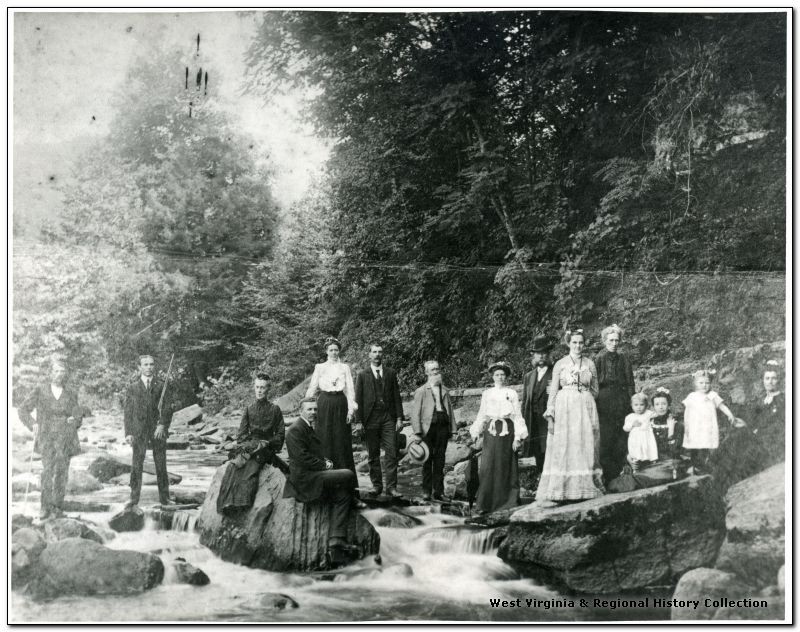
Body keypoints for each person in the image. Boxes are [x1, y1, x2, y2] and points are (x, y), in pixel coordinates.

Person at [284, 398, 359, 566]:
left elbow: (314, 453)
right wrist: (324, 465)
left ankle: (336, 541)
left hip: (313, 474)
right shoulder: (295, 430)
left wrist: (324, 461)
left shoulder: (309, 427)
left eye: (315, 409)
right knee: (347, 474)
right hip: (305, 479)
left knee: (343, 495)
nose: (313, 413)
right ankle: (353, 500)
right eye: (309, 409)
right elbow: (302, 458)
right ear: (300, 411)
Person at [536, 329, 605, 506]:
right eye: (574, 342)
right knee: (565, 445)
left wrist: (585, 399)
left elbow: (595, 390)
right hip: (564, 406)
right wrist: (551, 415)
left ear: (584, 344)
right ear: (568, 343)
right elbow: (552, 392)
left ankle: (584, 487)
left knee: (585, 442)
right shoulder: (560, 364)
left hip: (585, 405)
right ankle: (561, 489)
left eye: (581, 342)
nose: (578, 346)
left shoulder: (590, 363)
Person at [18, 358, 84, 519]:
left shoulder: (70, 392)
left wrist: (74, 420)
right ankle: (45, 507)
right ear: (50, 373)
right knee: (47, 471)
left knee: (62, 472)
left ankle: (57, 507)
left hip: (65, 436)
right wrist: (32, 423)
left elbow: (78, 414)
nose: (59, 374)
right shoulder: (41, 390)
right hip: (47, 435)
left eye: (62, 371)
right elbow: (23, 410)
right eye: (56, 371)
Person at [305, 337, 365, 508]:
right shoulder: (320, 367)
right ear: (326, 351)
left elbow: (350, 390)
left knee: (342, 445)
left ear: (339, 351)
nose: (333, 352)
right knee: (324, 443)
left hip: (340, 404)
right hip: (324, 404)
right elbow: (312, 388)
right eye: (331, 349)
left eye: (336, 349)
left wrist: (351, 410)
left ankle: (349, 492)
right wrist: (307, 408)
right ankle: (325, 491)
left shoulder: (344, 367)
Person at [218, 373, 287, 515]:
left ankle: (242, 502)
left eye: (263, 387)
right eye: (257, 387)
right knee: (234, 464)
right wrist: (247, 444)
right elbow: (242, 434)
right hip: (250, 445)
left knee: (251, 465)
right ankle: (227, 503)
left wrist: (268, 442)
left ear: (268, 389)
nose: (260, 390)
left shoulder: (275, 409)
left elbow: (280, 435)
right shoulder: (249, 409)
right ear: (254, 388)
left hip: (266, 447)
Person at [469, 361, 528, 514]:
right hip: (491, 431)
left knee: (505, 465)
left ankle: (508, 502)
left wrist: (517, 438)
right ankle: (485, 504)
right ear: (492, 377)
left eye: (502, 374)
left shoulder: (512, 393)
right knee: (488, 466)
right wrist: (476, 432)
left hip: (507, 431)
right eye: (497, 374)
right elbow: (482, 414)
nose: (500, 377)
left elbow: (517, 416)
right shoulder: (487, 394)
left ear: (506, 377)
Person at [123, 354, 174, 508]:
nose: (149, 368)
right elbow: (128, 412)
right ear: (139, 368)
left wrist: (162, 425)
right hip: (139, 430)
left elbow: (167, 408)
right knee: (137, 464)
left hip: (157, 430)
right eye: (145, 365)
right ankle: (133, 498)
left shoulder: (162, 385)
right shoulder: (132, 387)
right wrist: (128, 433)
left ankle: (165, 498)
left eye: (151, 364)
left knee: (161, 464)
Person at [355, 344, 404, 499]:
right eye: (374, 352)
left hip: (388, 417)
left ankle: (391, 488)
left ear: (383, 355)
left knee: (391, 452)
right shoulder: (362, 375)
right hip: (370, 419)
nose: (377, 355)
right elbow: (358, 399)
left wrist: (399, 417)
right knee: (373, 454)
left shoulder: (390, 373)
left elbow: (397, 396)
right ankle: (377, 486)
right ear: (369, 355)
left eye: (380, 352)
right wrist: (358, 421)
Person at [410, 360, 458, 501]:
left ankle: (439, 492)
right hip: (427, 429)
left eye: (437, 369)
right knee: (427, 460)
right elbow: (415, 414)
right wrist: (417, 433)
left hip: (442, 427)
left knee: (440, 460)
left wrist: (453, 430)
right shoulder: (421, 391)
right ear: (427, 373)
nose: (436, 372)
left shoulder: (444, 390)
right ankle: (426, 491)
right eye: (432, 370)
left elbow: (450, 411)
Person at [595, 324, 636, 484]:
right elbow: (595, 383)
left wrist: (631, 400)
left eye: (617, 340)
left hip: (621, 399)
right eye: (611, 340)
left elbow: (630, 382)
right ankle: (609, 475)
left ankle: (622, 470)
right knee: (606, 437)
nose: (614, 343)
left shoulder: (624, 358)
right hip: (604, 401)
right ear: (605, 341)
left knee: (621, 435)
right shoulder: (599, 359)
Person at [682, 369, 741, 475]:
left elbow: (722, 406)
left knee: (705, 445)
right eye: (701, 383)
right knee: (695, 446)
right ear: (695, 383)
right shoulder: (691, 396)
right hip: (695, 427)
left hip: (707, 427)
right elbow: (687, 412)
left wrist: (730, 415)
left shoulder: (712, 395)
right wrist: (686, 426)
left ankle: (705, 466)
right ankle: (695, 466)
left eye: (707, 383)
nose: (704, 385)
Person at [521, 335, 554, 472]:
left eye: (544, 353)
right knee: (535, 449)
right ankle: (539, 478)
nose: (541, 356)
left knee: (548, 448)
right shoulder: (529, 376)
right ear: (534, 355)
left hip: (548, 419)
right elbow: (525, 402)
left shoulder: (555, 374)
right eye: (538, 353)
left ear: (548, 355)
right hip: (532, 418)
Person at [750, 360, 785, 467]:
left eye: (774, 378)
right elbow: (752, 421)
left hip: (771, 441)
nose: (770, 382)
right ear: (763, 380)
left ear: (779, 380)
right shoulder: (760, 401)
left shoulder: (783, 400)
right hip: (757, 438)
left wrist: (758, 431)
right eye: (767, 378)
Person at [623, 393, 658, 469]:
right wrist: (632, 425)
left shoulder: (648, 413)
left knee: (649, 449)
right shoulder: (630, 417)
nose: (639, 407)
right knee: (636, 452)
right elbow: (625, 428)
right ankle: (636, 467)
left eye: (641, 405)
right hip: (635, 438)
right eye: (636, 405)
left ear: (646, 405)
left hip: (647, 436)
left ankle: (652, 464)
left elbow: (656, 414)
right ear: (632, 406)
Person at [650, 387, 682, 460]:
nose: (661, 407)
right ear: (653, 407)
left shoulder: (675, 423)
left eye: (664, 404)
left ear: (669, 405)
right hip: (653, 460)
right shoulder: (650, 423)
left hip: (670, 460)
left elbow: (675, 451)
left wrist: (671, 431)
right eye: (657, 404)